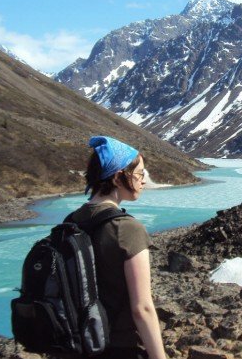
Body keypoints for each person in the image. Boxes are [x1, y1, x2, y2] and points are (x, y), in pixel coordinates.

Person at [69, 136, 166, 359]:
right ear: (117, 176)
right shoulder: (127, 229)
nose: (143, 181)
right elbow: (141, 308)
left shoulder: (72, 220)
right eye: (140, 173)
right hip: (118, 347)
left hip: (80, 345)